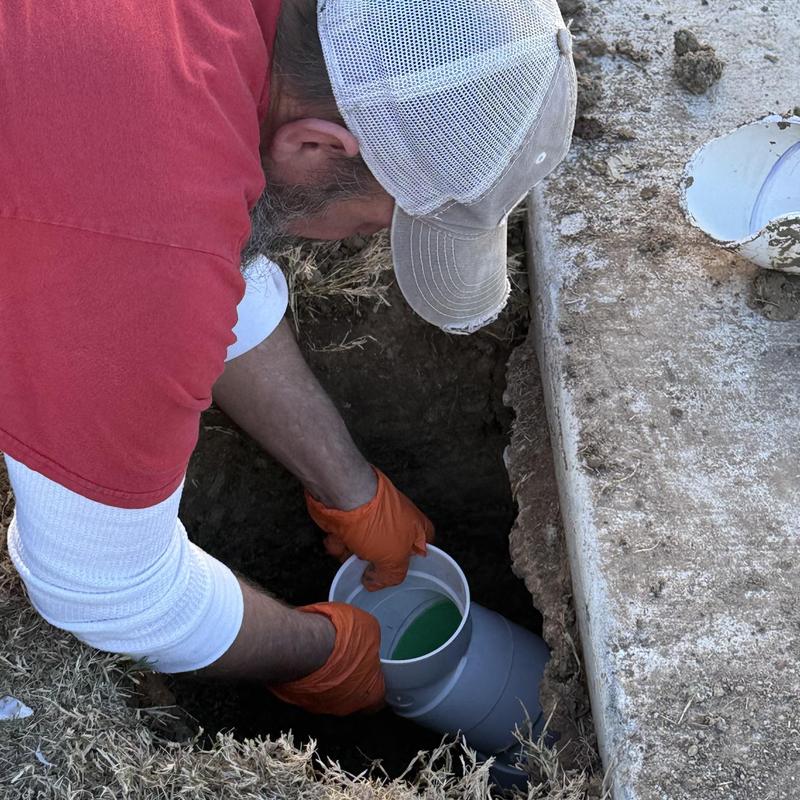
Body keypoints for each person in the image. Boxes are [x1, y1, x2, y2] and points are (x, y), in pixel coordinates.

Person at [0, 0, 576, 716]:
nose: (359, 244)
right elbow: (102, 583)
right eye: (375, 222)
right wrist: (322, 653)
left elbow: (213, 255)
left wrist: (350, 486)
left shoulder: (233, 46)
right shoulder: (145, 233)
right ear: (315, 148)